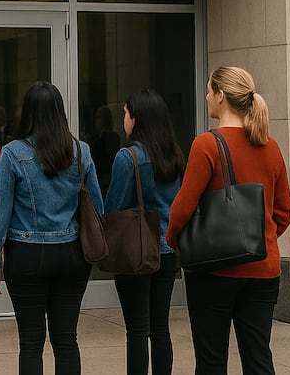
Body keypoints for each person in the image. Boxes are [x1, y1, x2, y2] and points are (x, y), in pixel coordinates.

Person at [166, 67, 290, 374]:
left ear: (221, 96)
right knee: (258, 356)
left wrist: (174, 241)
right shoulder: (270, 146)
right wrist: (259, 238)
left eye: (209, 90)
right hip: (263, 268)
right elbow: (284, 211)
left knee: (211, 359)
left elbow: (183, 207)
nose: (207, 96)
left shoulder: (207, 144)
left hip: (214, 268)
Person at [0, 80, 102, 375]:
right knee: (66, 340)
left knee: (30, 343)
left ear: (27, 113)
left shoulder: (12, 153)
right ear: (60, 113)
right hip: (72, 253)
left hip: (26, 254)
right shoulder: (81, 150)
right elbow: (97, 208)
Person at [105, 89, 185, 375]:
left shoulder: (128, 158)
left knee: (137, 330)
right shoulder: (175, 155)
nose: (124, 119)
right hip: (167, 249)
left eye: (126, 113)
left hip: (136, 252)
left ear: (137, 119)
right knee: (160, 327)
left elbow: (114, 208)